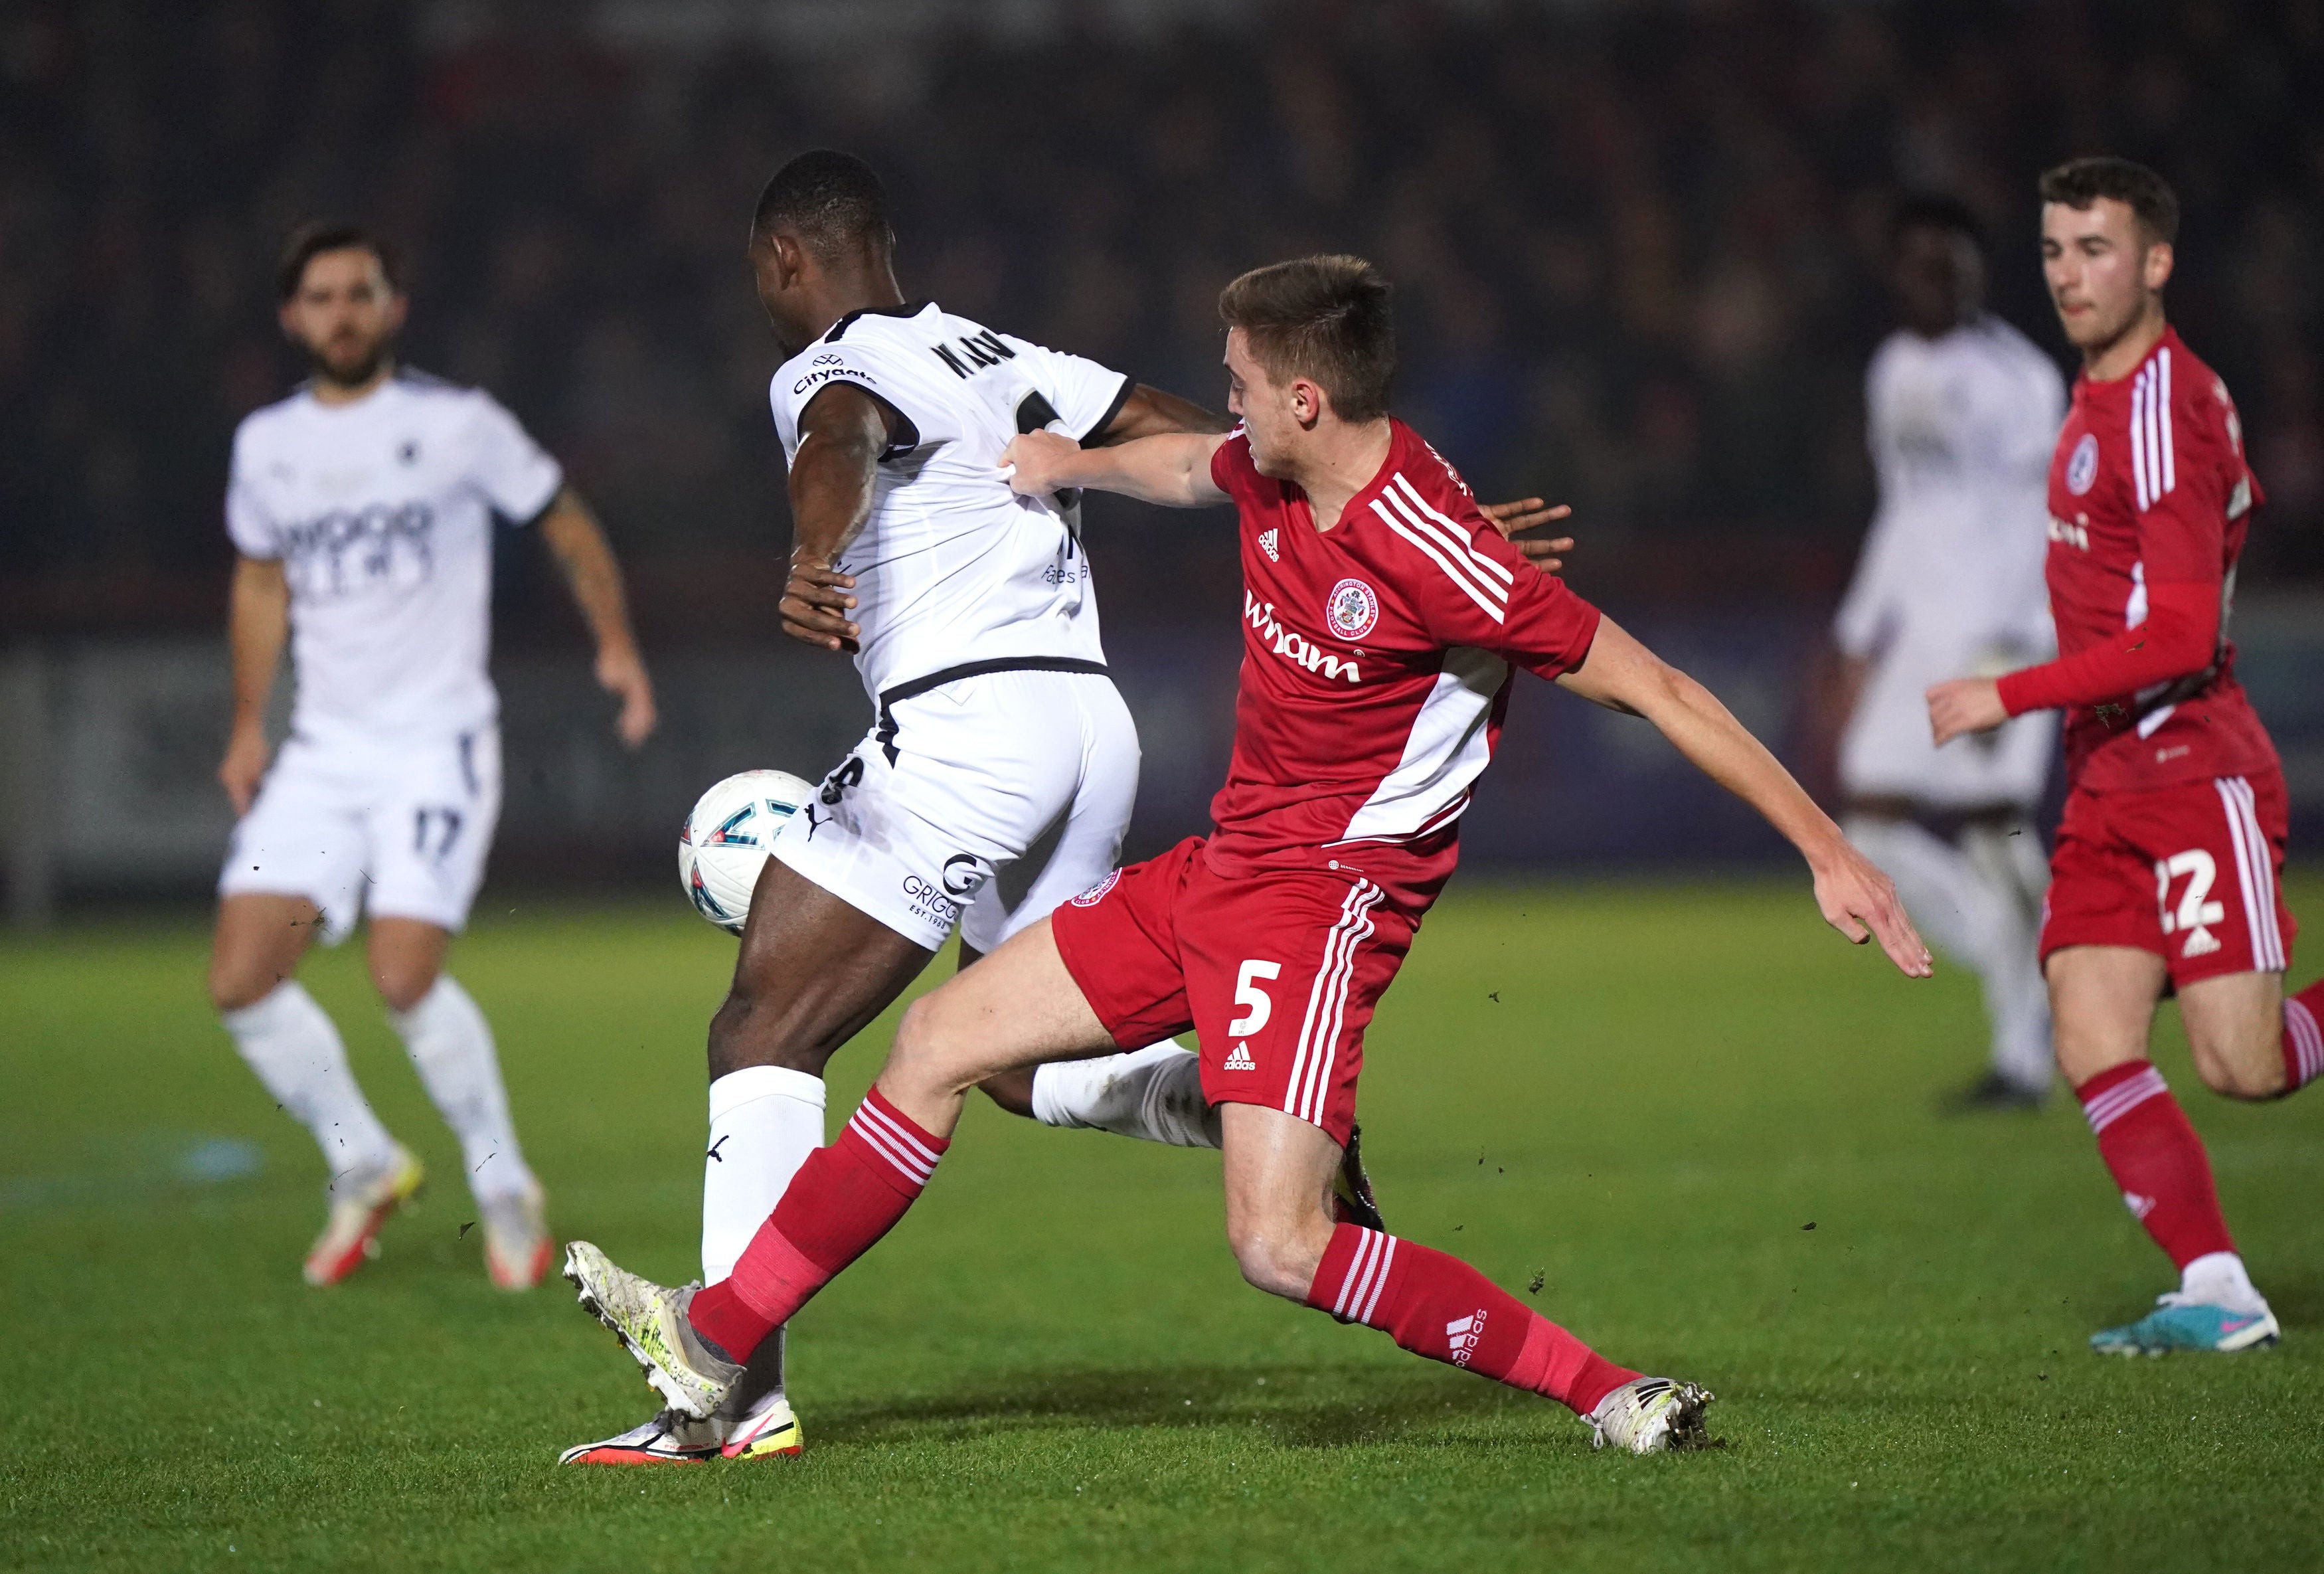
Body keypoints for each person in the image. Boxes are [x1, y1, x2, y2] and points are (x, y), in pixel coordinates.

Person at [562, 254, 1930, 1456]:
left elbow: (1668, 692)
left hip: (1321, 909)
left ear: (1304, 400)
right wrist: (1067, 467)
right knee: (936, 1050)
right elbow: (1176, 463)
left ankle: (1609, 1391)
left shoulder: (1435, 550)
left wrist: (1828, 851)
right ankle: (711, 1336)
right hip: (1213, 874)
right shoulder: (1274, 468)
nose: (1220, 399)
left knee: (1278, 1244)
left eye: (1236, 380)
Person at [558, 153, 1571, 1467]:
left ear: (786, 261)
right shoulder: (997, 348)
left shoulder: (822, 364)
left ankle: (729, 1399)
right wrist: (1383, 507)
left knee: (766, 1026)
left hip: (970, 728)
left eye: (764, 273)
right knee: (1012, 1051)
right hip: (1085, 726)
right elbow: (1212, 438)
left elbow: (841, 435)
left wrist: (811, 553)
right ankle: (1208, 1092)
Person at [209, 221, 659, 1292]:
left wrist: (618, 647)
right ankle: (363, 1160)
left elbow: (564, 522)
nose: (341, 313)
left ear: (393, 306)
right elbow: (261, 584)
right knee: (241, 978)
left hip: (435, 743)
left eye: (359, 293)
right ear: (292, 317)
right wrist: (246, 722)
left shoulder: (458, 426)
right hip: (324, 752)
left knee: (402, 975)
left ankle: (504, 1183)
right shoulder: (266, 447)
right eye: (319, 298)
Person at [1928, 157, 2323, 1355]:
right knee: (2090, 1026)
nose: (2068, 274)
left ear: (2156, 261)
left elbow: (2183, 634)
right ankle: (2219, 1288)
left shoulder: (2167, 406)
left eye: (2095, 249)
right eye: (2054, 250)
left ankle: (2216, 1283)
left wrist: (2013, 688)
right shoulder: (2094, 395)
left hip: (2193, 767)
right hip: (2108, 778)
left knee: (2244, 1067)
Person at [1833, 195, 2066, 1110]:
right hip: (1919, 638)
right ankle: (2043, 960)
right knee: (1866, 825)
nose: (1937, 278)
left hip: (2002, 641)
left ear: (1979, 271)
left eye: (1953, 263)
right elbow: (1905, 507)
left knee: (1992, 828)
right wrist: (1860, 636)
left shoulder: (2020, 380)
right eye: (1920, 262)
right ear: (1896, 273)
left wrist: (2007, 660)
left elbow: (2045, 522)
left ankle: (2025, 1054)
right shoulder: (1891, 370)